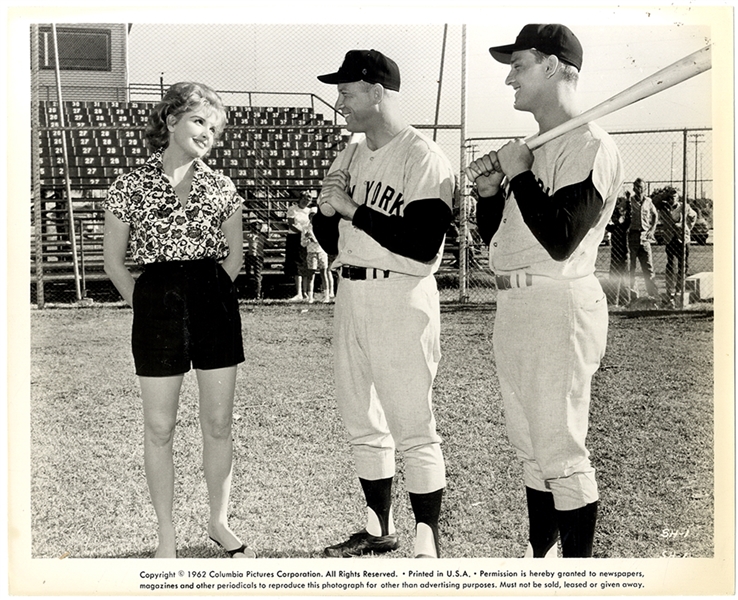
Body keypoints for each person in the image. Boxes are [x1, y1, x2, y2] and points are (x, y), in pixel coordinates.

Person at [467, 24, 623, 558]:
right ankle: (542, 560)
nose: (510, 78)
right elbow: (505, 239)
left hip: (559, 302)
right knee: (531, 446)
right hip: (516, 301)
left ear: (554, 66)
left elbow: (560, 239)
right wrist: (492, 193)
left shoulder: (591, 144)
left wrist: (523, 173)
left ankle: (577, 574)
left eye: (520, 64)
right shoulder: (536, 146)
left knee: (558, 448)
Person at [312, 49, 455, 558]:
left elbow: (420, 244)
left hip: (402, 291)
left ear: (376, 92)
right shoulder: (349, 152)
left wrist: (351, 206)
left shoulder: (424, 157)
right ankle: (378, 529)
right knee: (362, 418)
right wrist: (328, 211)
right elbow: (331, 234)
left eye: (347, 91)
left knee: (412, 422)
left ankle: (427, 541)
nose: (339, 101)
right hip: (351, 290)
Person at [103, 82, 255, 559]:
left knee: (217, 422)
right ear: (170, 120)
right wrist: (149, 305)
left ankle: (218, 522)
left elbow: (233, 258)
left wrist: (208, 297)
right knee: (160, 426)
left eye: (215, 126)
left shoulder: (223, 186)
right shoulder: (129, 185)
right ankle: (166, 535)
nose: (208, 132)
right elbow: (113, 263)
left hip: (214, 301)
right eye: (198, 120)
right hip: (157, 303)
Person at [662, 189, 697, 307]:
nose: (673, 200)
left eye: (675, 197)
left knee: (683, 265)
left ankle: (679, 289)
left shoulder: (684, 207)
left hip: (682, 239)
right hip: (670, 239)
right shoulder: (664, 208)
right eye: (670, 198)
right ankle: (669, 291)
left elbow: (694, 216)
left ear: (678, 198)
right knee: (670, 265)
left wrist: (686, 228)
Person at [627, 178, 659, 299]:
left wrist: (652, 229)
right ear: (634, 188)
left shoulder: (648, 201)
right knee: (632, 267)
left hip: (645, 236)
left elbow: (655, 215)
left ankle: (653, 296)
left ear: (644, 188)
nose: (639, 189)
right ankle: (633, 296)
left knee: (648, 267)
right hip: (633, 236)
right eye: (637, 187)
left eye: (641, 187)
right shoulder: (629, 201)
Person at [285, 190, 313, 301]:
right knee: (296, 265)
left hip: (306, 238)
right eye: (305, 199)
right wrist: (302, 232)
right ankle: (299, 292)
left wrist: (307, 234)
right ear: (300, 199)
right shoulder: (292, 209)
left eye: (309, 199)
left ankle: (305, 293)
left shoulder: (310, 210)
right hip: (295, 238)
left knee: (305, 264)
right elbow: (291, 225)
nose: (306, 201)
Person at [301, 209, 332, 303]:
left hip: (322, 251)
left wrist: (313, 238)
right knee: (311, 274)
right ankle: (310, 297)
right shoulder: (306, 228)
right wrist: (307, 239)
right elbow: (302, 244)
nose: (313, 218)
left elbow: (324, 241)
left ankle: (326, 296)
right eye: (311, 216)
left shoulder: (323, 226)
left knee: (324, 273)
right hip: (311, 252)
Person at [605, 194, 631, 305]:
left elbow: (629, 217)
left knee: (625, 278)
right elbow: (605, 224)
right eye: (614, 217)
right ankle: (613, 300)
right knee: (614, 278)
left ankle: (625, 300)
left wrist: (629, 202)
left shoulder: (624, 225)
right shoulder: (613, 228)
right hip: (615, 254)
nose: (616, 219)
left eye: (617, 216)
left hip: (624, 254)